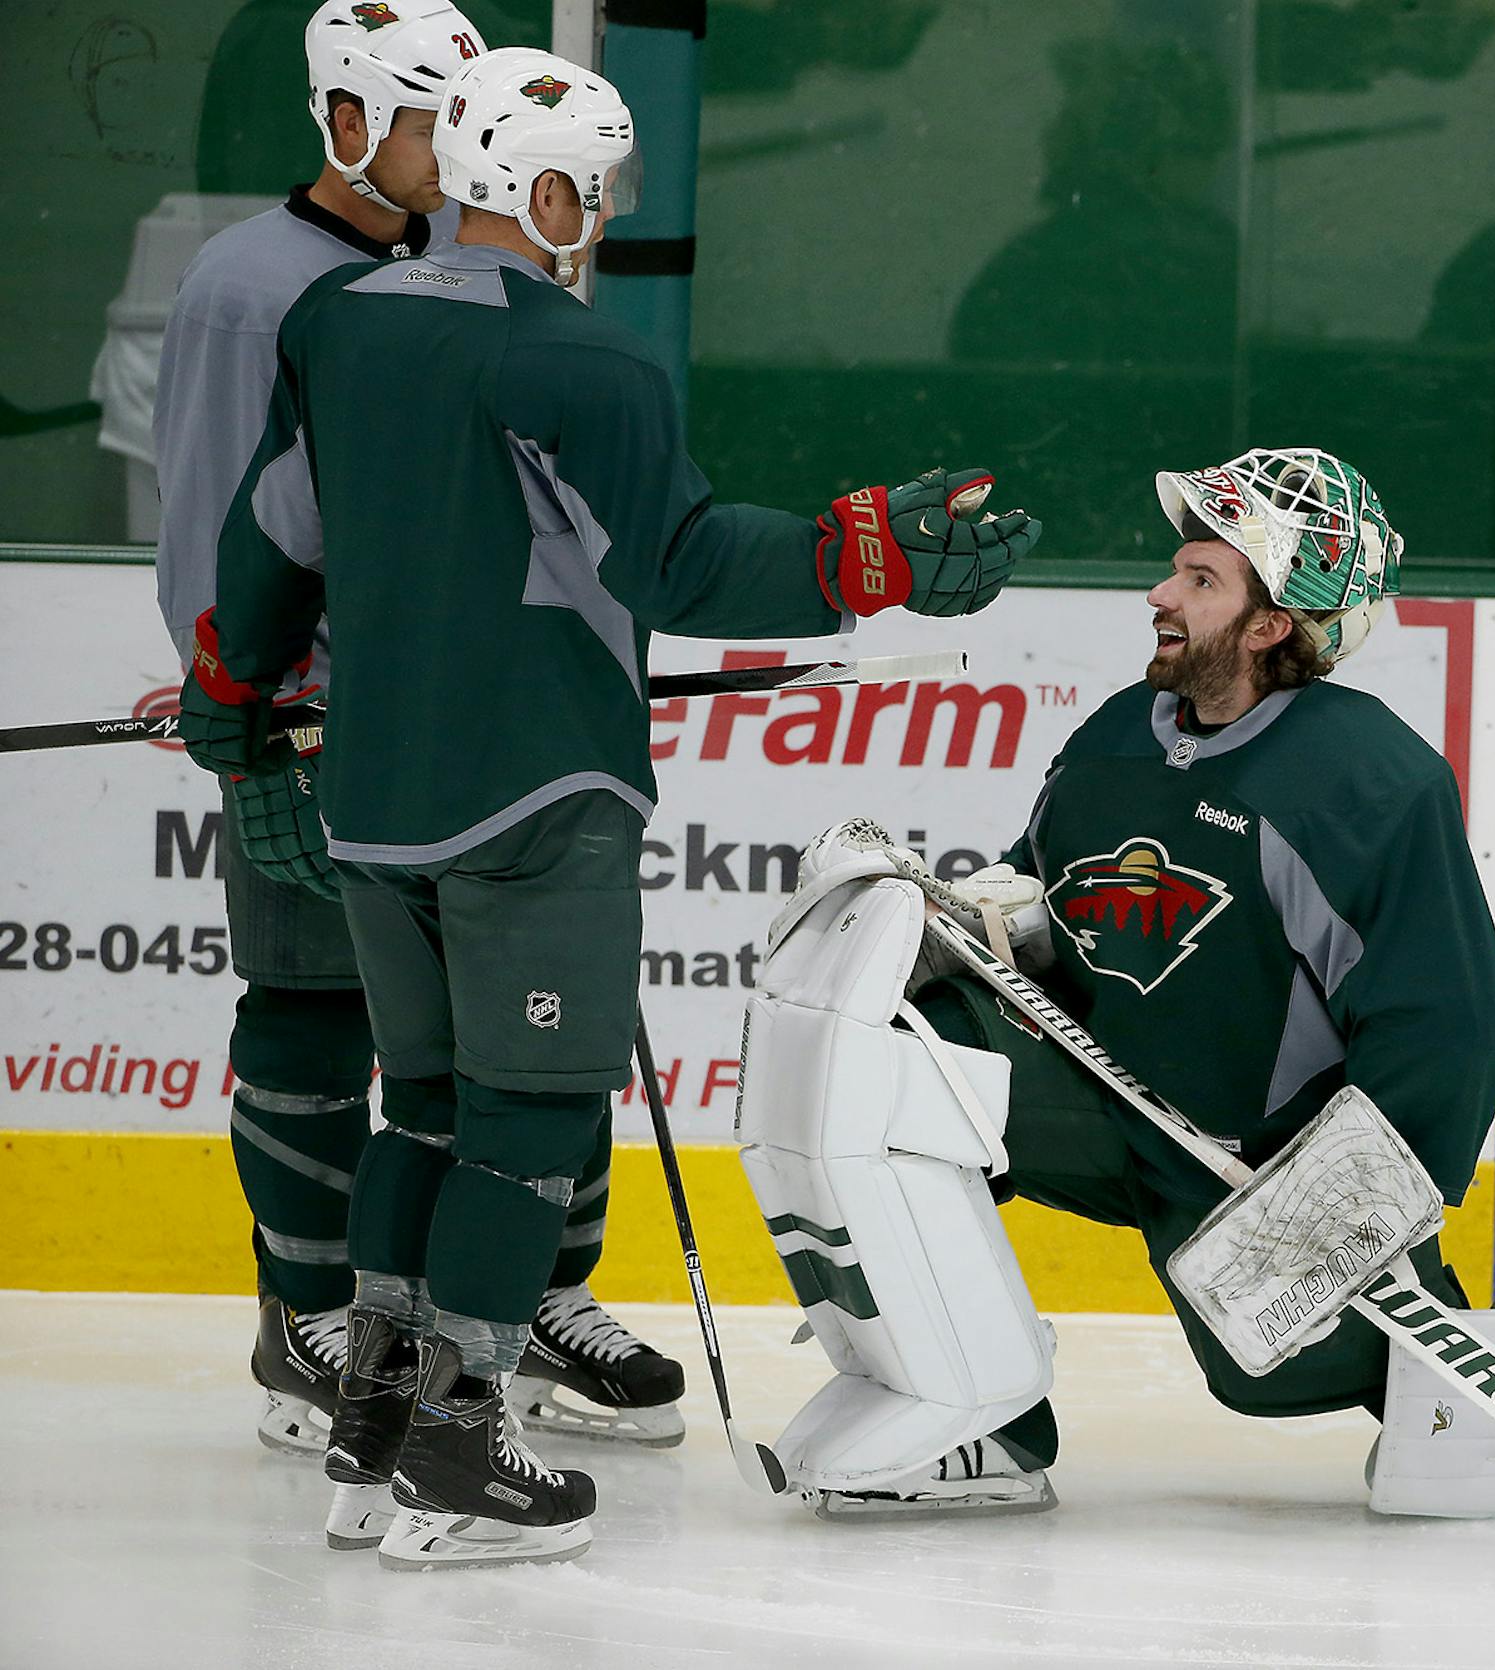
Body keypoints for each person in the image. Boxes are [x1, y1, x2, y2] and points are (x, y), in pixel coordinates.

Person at [175, 41, 1040, 1570]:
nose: (606, 215)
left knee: (424, 1107)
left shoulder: (340, 321)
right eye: (599, 185)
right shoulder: (587, 361)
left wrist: (235, 708)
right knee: (528, 1118)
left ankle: (372, 1423)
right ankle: (462, 1444)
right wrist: (867, 558)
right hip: (536, 797)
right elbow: (684, 562)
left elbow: (268, 534)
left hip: (371, 804)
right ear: (547, 185)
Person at [737, 447, 1495, 1516]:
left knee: (1269, 1369)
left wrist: (1358, 1206)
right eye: (1174, 568)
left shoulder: (1365, 782)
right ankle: (980, 1422)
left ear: (1271, 622)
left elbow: (1450, 1018)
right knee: (888, 1056)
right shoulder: (1114, 738)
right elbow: (1044, 911)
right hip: (1111, 1108)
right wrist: (950, 926)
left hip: (1257, 1166)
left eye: (1201, 577)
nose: (1160, 590)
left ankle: (1472, 1384)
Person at [154, 3, 693, 1500]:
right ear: (343, 123)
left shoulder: (427, 287)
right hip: (326, 730)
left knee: (507, 1055)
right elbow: (232, 530)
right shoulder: (255, 287)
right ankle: (315, 1326)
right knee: (327, 1015)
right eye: (421, 117)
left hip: (446, 731)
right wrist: (251, 720)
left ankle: (504, 1316)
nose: (450, 143)